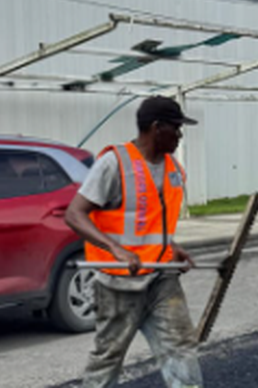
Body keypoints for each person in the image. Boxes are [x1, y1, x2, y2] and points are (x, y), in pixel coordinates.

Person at [65, 96, 203, 388]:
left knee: (181, 348)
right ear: (156, 128)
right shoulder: (113, 164)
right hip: (119, 285)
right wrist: (115, 249)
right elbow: (75, 214)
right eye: (176, 128)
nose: (180, 135)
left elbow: (152, 221)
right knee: (107, 360)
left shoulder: (171, 168)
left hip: (162, 278)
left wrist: (171, 246)